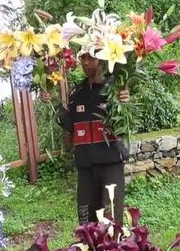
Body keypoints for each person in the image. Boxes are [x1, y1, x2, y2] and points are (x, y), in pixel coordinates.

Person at [40, 53, 130, 224]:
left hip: (110, 164)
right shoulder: (78, 92)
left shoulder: (116, 89)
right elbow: (70, 124)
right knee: (87, 223)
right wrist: (52, 103)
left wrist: (125, 101)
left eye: (91, 58)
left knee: (111, 222)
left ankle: (116, 250)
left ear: (103, 59)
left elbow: (127, 121)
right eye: (83, 58)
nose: (86, 62)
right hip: (85, 167)